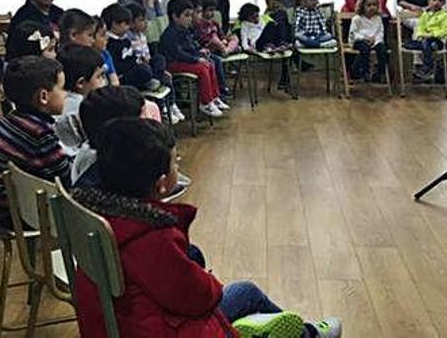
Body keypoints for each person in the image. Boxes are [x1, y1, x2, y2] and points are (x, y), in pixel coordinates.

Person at [70, 117, 341, 337]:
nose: (178, 165)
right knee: (247, 292)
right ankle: (309, 335)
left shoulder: (94, 215)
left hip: (118, 322)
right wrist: (205, 278)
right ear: (162, 183)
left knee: (209, 268)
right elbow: (198, 297)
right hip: (160, 328)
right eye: (175, 161)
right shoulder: (148, 235)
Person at [0, 56, 71, 225]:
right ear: (43, 96)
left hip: (4, 202)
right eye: (62, 89)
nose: (66, 94)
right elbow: (65, 178)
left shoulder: (11, 118)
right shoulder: (40, 133)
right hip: (21, 211)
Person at [160, 0, 228, 118]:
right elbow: (178, 54)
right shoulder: (169, 34)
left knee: (210, 63)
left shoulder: (185, 30)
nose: (190, 18)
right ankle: (205, 102)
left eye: (191, 15)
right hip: (173, 64)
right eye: (186, 15)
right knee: (202, 68)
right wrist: (196, 59)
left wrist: (200, 52)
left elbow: (191, 47)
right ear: (175, 16)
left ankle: (214, 97)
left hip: (184, 61)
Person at [126, 3, 185, 124]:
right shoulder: (127, 38)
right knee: (150, 71)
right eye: (141, 20)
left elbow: (148, 54)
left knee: (163, 67)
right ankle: (162, 108)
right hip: (139, 71)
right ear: (131, 23)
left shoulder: (142, 36)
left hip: (149, 69)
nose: (146, 23)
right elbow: (132, 58)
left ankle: (172, 105)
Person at [55, 45, 107, 158]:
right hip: (77, 161)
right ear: (81, 83)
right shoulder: (84, 107)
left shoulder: (57, 100)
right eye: (100, 76)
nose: (104, 82)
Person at [102, 3, 159, 90]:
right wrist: (134, 63)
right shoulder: (111, 43)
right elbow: (116, 65)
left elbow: (132, 55)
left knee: (158, 60)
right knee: (143, 71)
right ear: (114, 24)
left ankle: (151, 79)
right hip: (123, 75)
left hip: (134, 67)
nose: (128, 27)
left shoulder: (125, 39)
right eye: (126, 24)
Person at [402, 0, 447, 80]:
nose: (437, 2)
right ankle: (426, 46)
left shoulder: (445, 15)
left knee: (427, 43)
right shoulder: (425, 15)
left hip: (438, 40)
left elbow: (445, 30)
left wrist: (431, 34)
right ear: (429, 1)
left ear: (444, 3)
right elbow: (420, 27)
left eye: (440, 0)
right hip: (425, 40)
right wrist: (421, 35)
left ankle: (428, 67)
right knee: (407, 44)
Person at [349, 0, 387, 82]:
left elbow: (380, 32)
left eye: (374, 5)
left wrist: (376, 40)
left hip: (375, 41)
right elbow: (353, 34)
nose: (372, 7)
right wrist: (365, 38)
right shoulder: (357, 19)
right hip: (359, 41)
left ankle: (379, 73)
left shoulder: (378, 19)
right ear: (363, 6)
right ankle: (364, 72)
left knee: (382, 50)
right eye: (369, 5)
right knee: (365, 49)